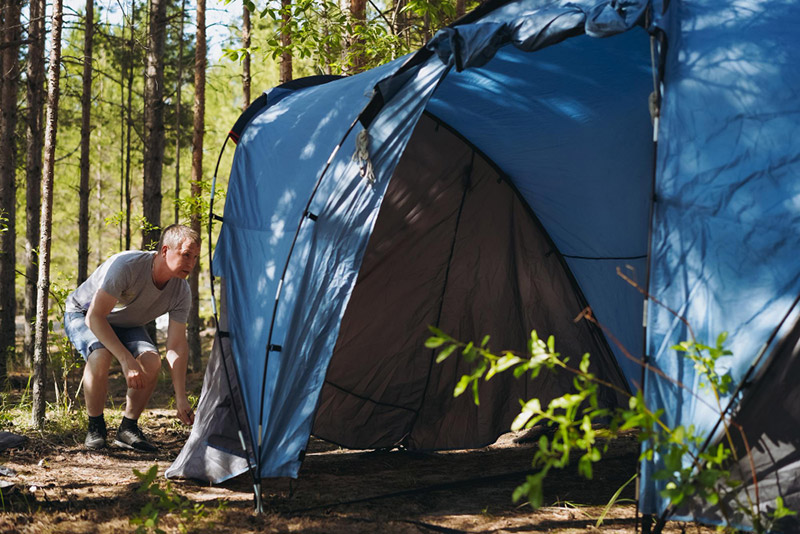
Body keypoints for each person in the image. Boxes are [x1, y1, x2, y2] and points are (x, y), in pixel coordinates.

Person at [63, 224, 200, 451]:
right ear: (165, 250)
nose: (191, 264)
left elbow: (176, 346)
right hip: (84, 313)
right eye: (186, 255)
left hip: (125, 323)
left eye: (195, 257)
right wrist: (126, 360)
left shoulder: (181, 291)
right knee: (100, 355)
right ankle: (95, 427)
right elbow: (95, 317)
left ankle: (128, 428)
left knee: (151, 362)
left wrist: (181, 397)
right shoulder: (127, 266)